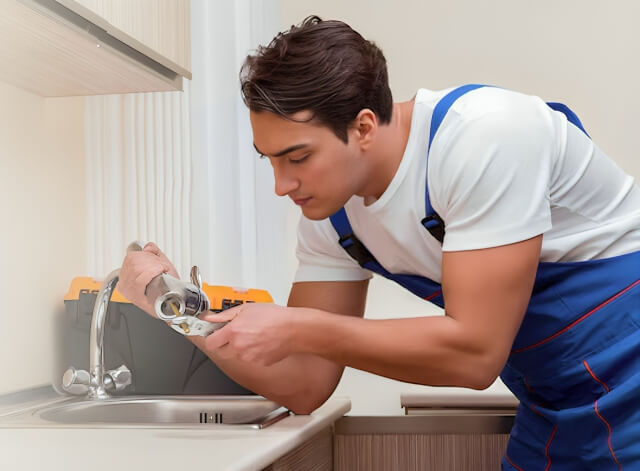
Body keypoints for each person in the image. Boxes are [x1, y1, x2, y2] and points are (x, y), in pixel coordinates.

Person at [119, 15, 640, 470]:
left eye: (297, 157)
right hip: (556, 406)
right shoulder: (331, 221)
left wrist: (300, 326)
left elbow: (476, 355)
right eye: (269, 160)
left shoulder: (485, 138)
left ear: (363, 126)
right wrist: (174, 311)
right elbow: (304, 384)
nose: (281, 184)